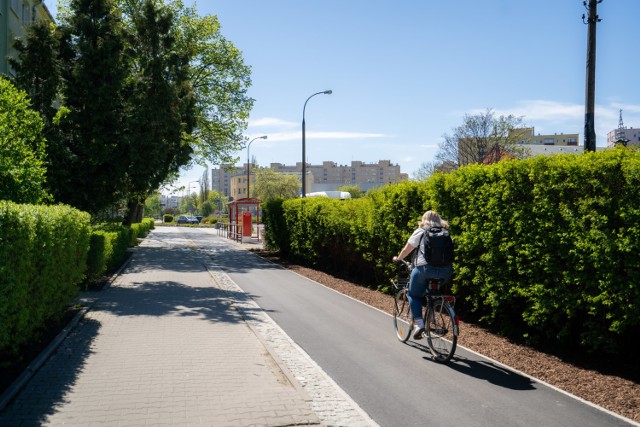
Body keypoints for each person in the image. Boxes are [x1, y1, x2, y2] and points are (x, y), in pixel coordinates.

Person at [392, 210, 453, 340]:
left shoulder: (421, 231)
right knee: (431, 291)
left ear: (423, 219)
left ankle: (419, 324)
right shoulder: (446, 234)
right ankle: (432, 308)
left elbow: (406, 249)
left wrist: (398, 258)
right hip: (445, 271)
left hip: (424, 270)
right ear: (439, 220)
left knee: (413, 294)